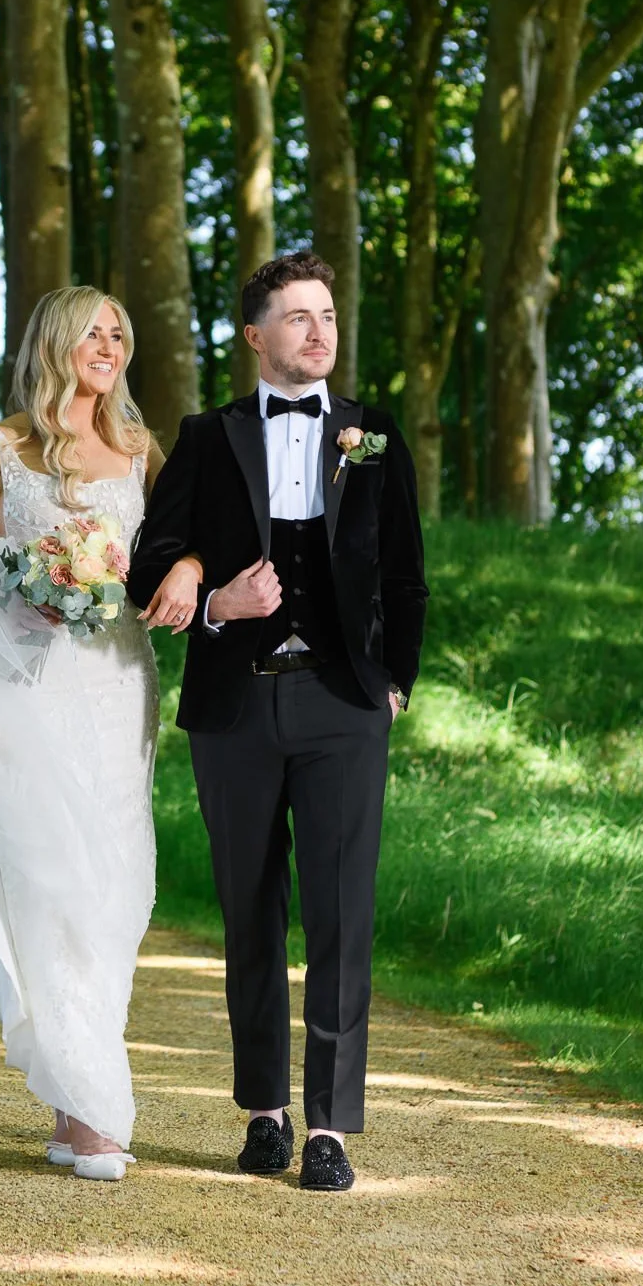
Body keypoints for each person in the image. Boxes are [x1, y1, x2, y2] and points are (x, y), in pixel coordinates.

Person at [127, 252, 428, 1193]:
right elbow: (148, 568)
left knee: (342, 915)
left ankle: (331, 1127)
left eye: (328, 315)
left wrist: (397, 681)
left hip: (344, 705)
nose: (319, 331)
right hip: (236, 706)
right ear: (256, 336)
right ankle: (264, 1112)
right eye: (297, 318)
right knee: (250, 911)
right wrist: (219, 600)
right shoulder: (205, 438)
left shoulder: (372, 435)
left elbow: (406, 571)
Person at [0, 286, 188, 1181]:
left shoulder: (140, 450)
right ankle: (89, 1108)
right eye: (93, 331)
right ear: (56, 343)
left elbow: (171, 551)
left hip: (118, 690)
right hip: (28, 692)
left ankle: (77, 1084)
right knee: (51, 878)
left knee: (115, 888)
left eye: (121, 330)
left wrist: (185, 568)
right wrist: (30, 576)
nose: (110, 344)